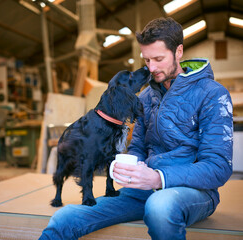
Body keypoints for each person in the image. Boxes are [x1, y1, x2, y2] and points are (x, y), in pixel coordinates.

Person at [39, 17, 233, 240]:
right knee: (65, 217)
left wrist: (159, 178)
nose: (151, 68)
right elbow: (138, 146)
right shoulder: (145, 96)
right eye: (147, 59)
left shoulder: (213, 94)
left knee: (160, 206)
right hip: (144, 190)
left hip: (194, 192)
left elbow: (218, 166)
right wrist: (130, 166)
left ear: (178, 52)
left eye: (158, 59)